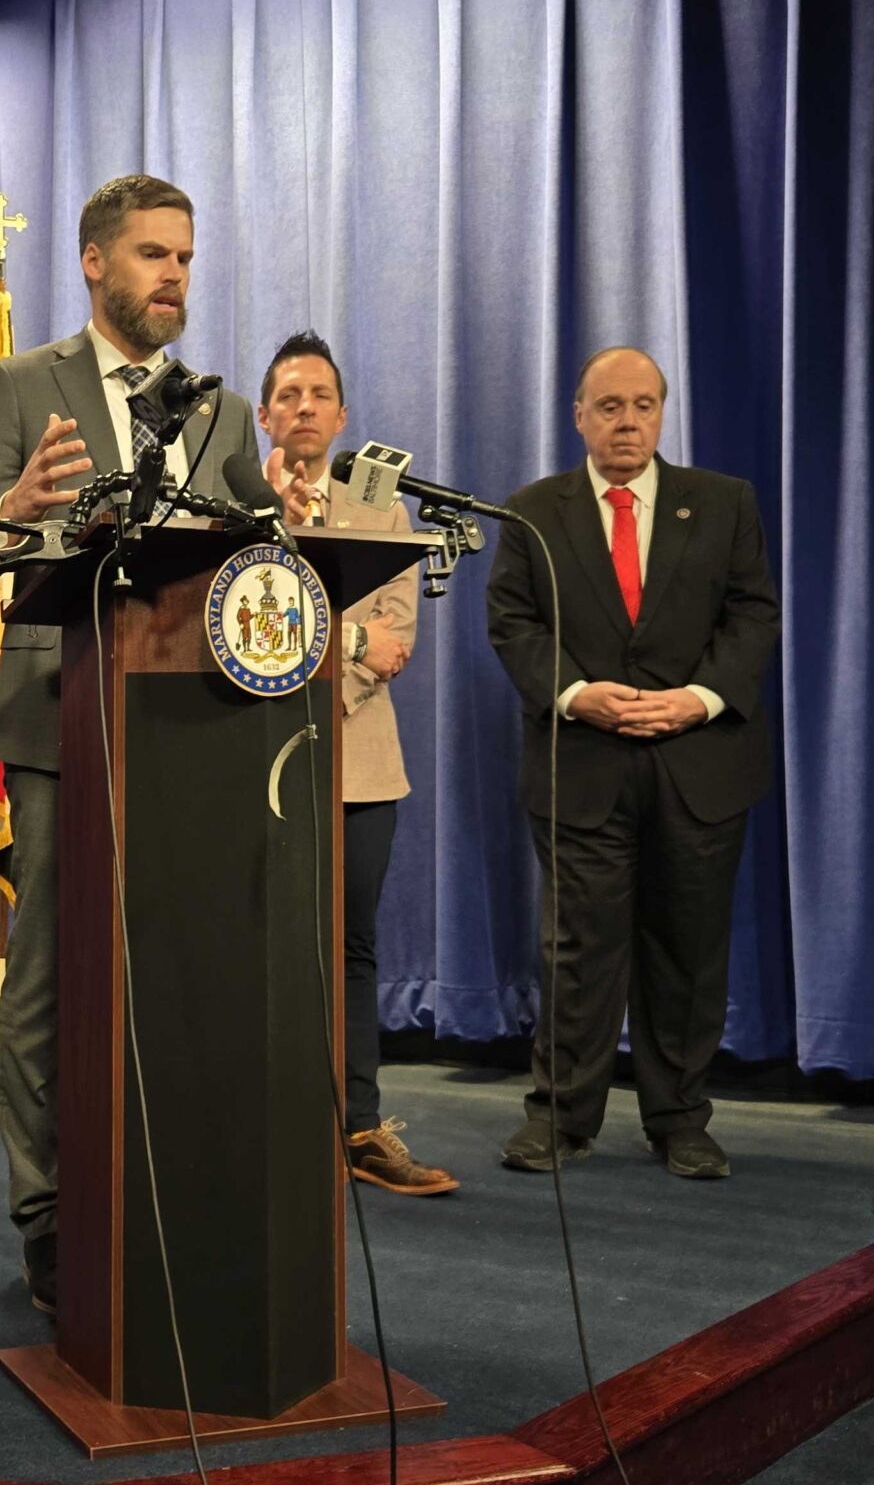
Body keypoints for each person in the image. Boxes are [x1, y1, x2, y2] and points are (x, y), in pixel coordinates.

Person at [0, 173, 306, 1314]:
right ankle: (47, 1215)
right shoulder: (20, 384)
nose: (174, 276)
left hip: (193, 741)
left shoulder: (218, 410)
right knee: (47, 978)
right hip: (61, 729)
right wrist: (19, 512)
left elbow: (259, 554)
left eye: (185, 257)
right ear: (95, 263)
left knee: (180, 979)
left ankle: (167, 1196)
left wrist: (290, 530)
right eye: (152, 255)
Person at [483, 347, 780, 1179]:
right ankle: (560, 1119)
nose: (627, 422)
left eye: (643, 405)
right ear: (579, 415)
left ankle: (680, 1121)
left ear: (661, 413)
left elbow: (754, 615)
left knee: (686, 951)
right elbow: (513, 623)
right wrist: (576, 693)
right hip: (580, 766)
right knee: (577, 949)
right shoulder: (533, 512)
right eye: (609, 406)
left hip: (698, 764)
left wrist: (701, 698)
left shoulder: (724, 504)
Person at [255, 331, 457, 1195]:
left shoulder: (384, 516)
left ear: (341, 415)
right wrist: (342, 643)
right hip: (252, 766)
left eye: (320, 394)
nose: (305, 407)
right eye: (289, 394)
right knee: (256, 943)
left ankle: (360, 1126)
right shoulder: (233, 507)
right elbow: (232, 639)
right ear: (264, 414)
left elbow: (392, 646)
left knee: (353, 947)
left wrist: (306, 653)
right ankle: (262, 1120)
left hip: (362, 767)